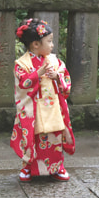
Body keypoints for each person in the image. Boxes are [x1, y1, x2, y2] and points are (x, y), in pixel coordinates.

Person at [10, 18, 75, 182]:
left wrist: (57, 77)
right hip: (34, 109)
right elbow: (23, 84)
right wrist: (37, 74)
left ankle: (57, 167)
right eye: (49, 41)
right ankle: (28, 167)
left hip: (53, 108)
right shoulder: (22, 63)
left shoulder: (54, 60)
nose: (52, 45)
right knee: (33, 139)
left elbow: (65, 80)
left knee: (54, 138)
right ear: (35, 44)